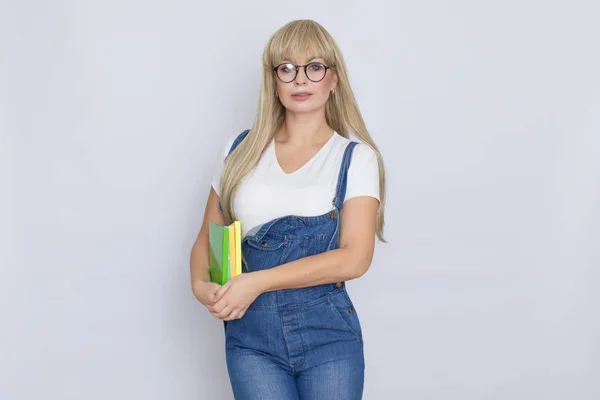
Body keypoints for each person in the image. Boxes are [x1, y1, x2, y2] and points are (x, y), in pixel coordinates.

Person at [190, 19, 386, 400]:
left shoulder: (355, 158)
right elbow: (206, 242)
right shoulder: (239, 150)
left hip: (327, 340)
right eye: (287, 68)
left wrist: (258, 281)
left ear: (334, 80)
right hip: (251, 341)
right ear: (274, 81)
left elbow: (355, 258)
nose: (300, 79)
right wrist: (202, 287)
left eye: (315, 67)